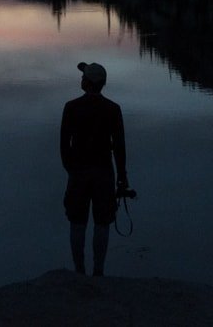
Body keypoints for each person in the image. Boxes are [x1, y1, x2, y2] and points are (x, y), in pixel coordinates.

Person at [60, 60, 129, 276]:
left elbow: (64, 145)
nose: (80, 79)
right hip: (104, 173)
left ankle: (79, 270)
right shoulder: (113, 109)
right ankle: (98, 271)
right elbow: (119, 147)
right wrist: (122, 176)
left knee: (77, 221)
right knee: (102, 222)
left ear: (88, 83)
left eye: (83, 77)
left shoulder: (71, 107)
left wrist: (70, 169)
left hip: (79, 172)